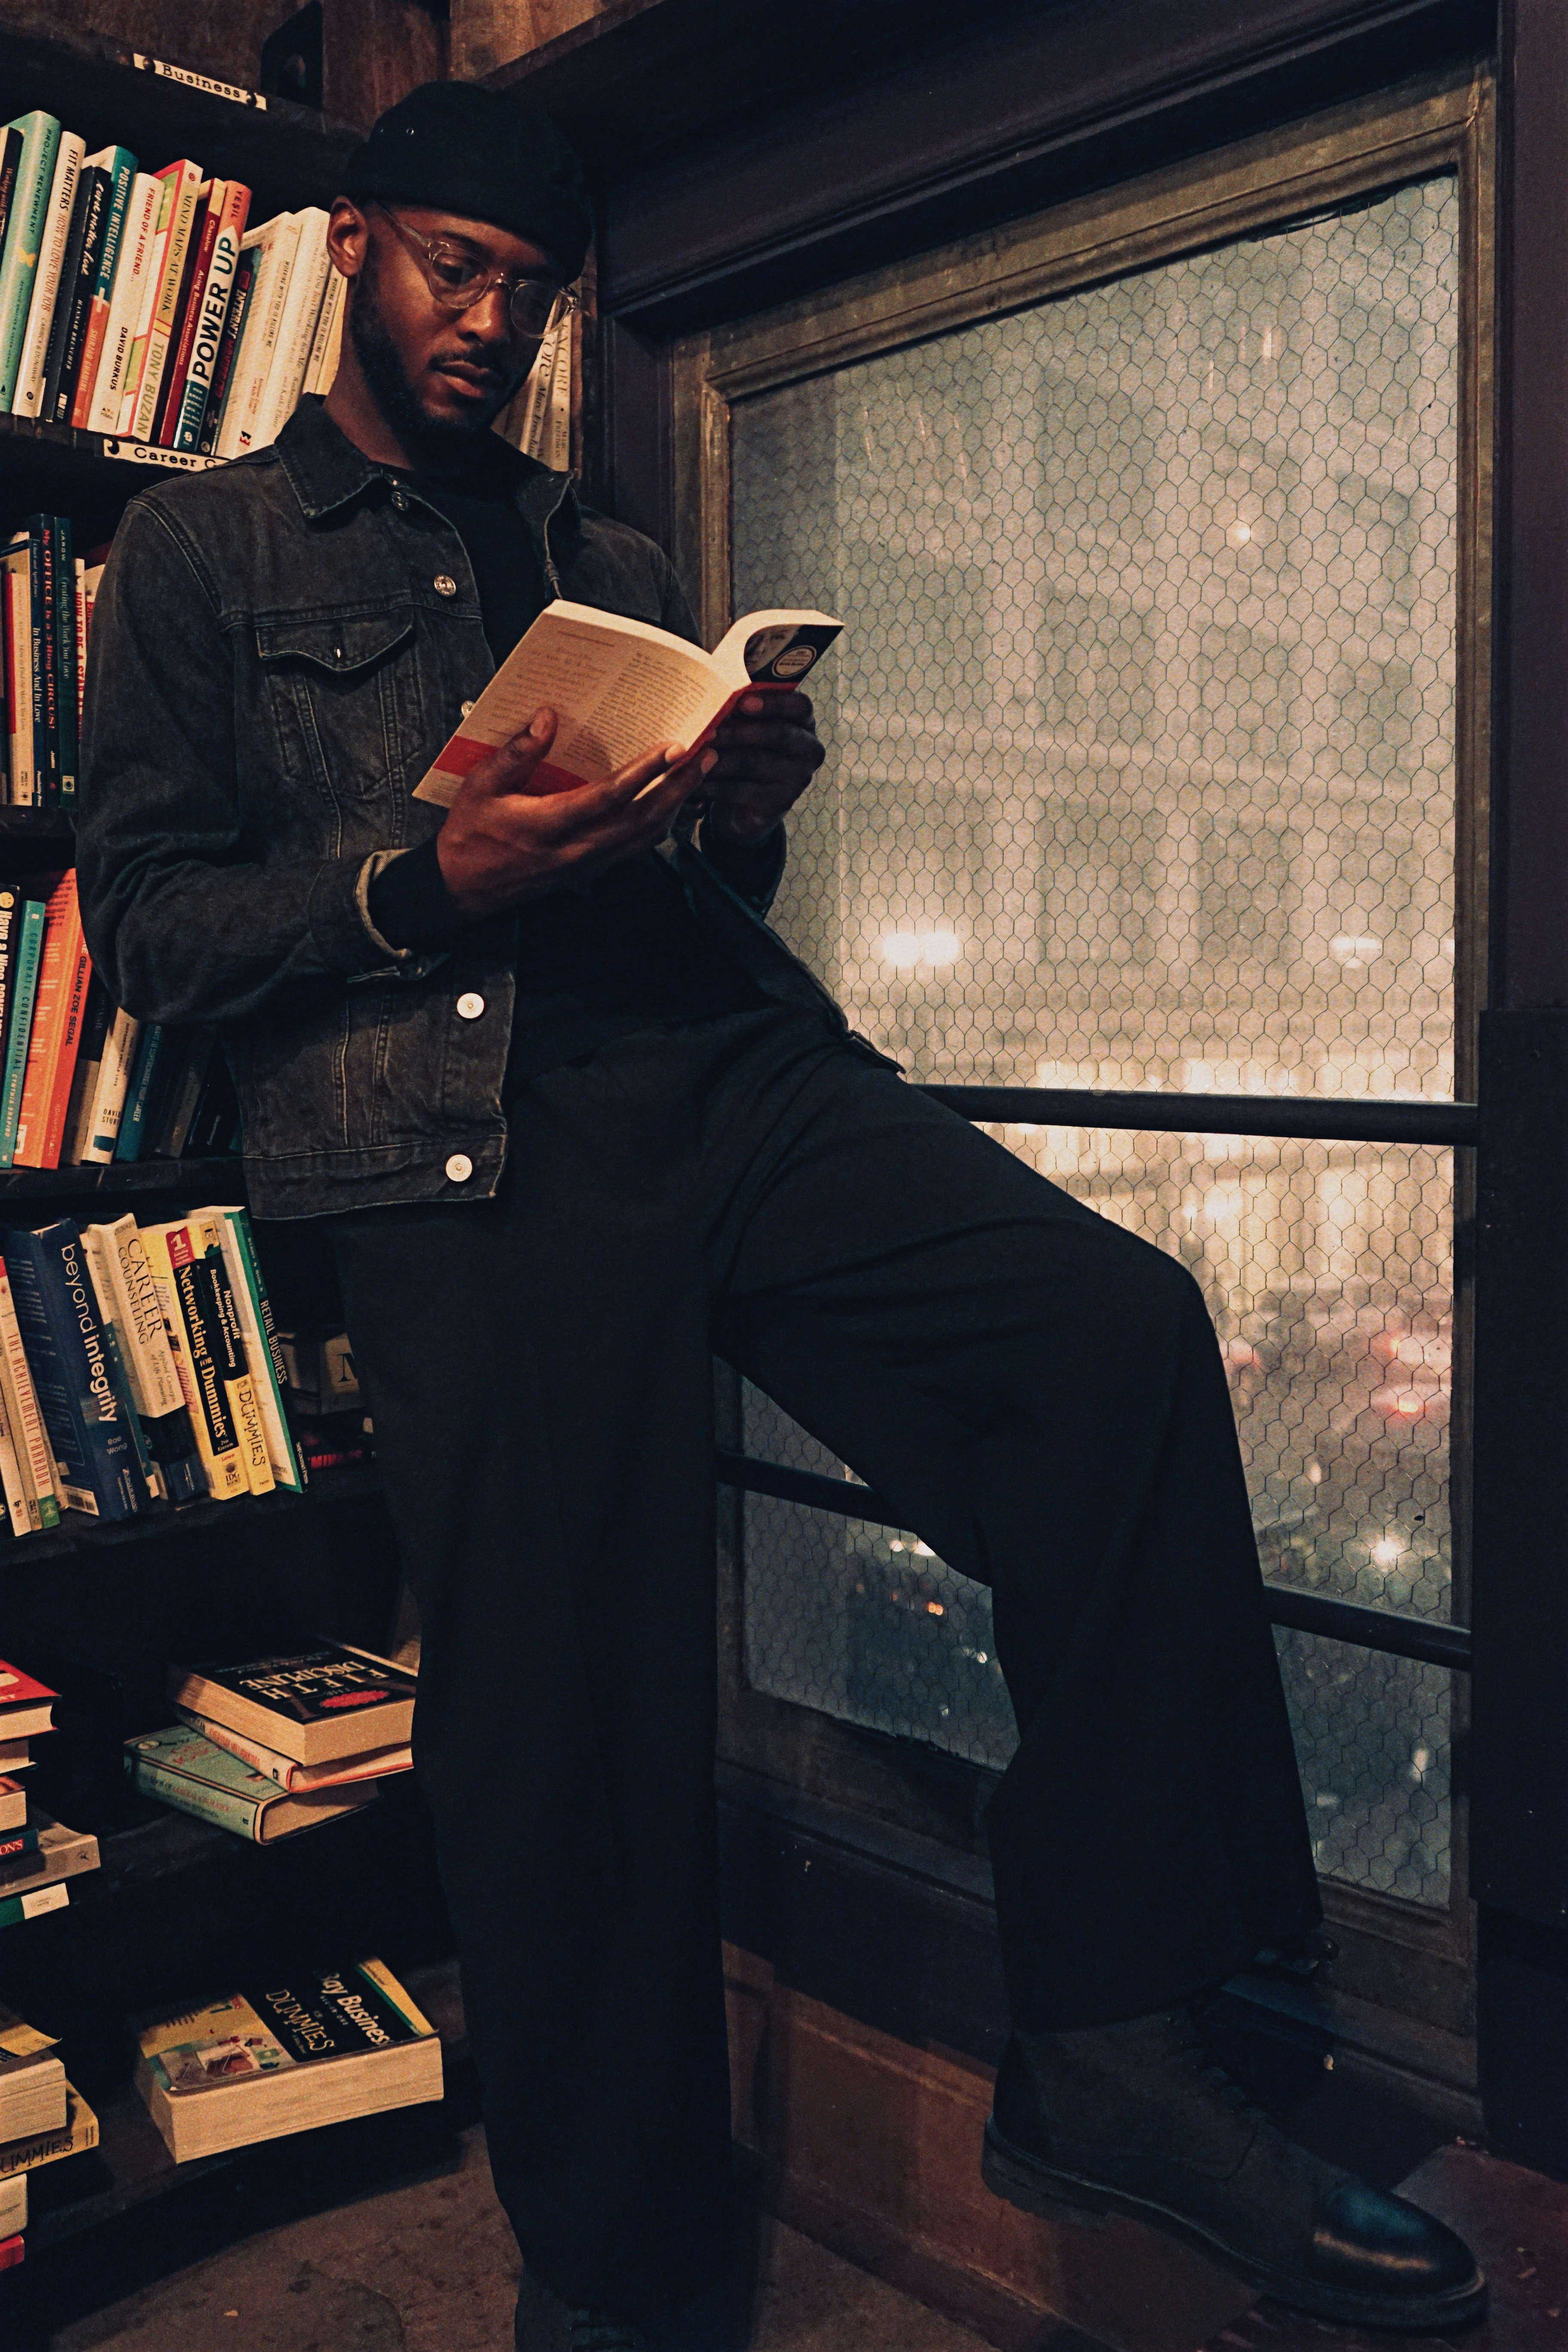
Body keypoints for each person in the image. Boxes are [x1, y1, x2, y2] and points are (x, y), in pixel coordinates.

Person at [77, 81, 1484, 2352]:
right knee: (569, 1726)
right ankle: (619, 2284)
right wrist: (427, 883)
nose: (491, 325)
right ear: (350, 245)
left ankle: (1111, 2039)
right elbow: (154, 931)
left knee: (1110, 1339)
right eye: (454, 272)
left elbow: (699, 878)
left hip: (726, 1078)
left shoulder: (599, 554)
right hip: (455, 1148)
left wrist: (739, 802)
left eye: (527, 297)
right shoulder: (206, 558)